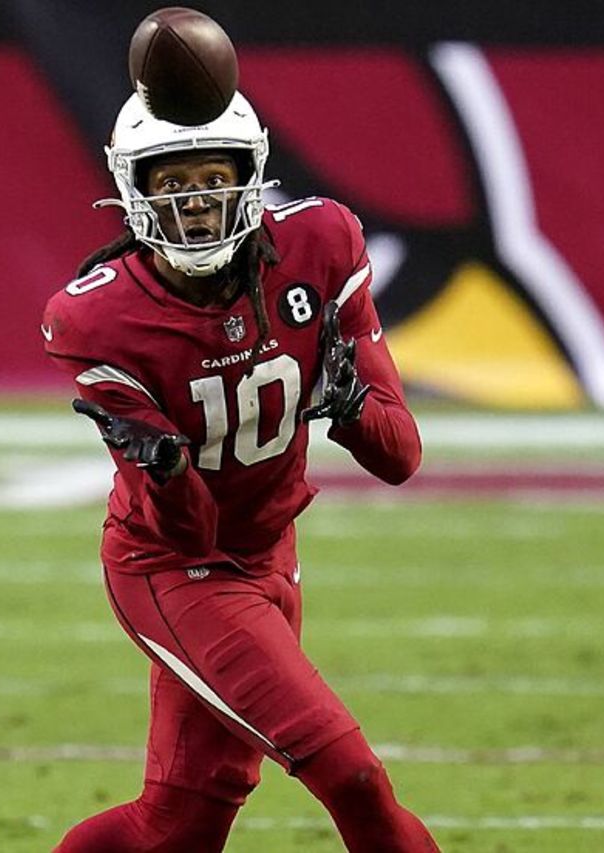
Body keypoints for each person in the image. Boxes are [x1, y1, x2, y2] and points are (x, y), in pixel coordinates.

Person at [41, 88, 440, 852]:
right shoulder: (97, 318)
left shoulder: (319, 244)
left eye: (212, 180)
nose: (195, 203)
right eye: (172, 183)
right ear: (132, 190)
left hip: (271, 552)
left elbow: (400, 457)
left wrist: (350, 404)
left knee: (177, 828)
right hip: (175, 569)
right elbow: (188, 532)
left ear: (251, 176)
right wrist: (163, 468)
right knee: (352, 775)